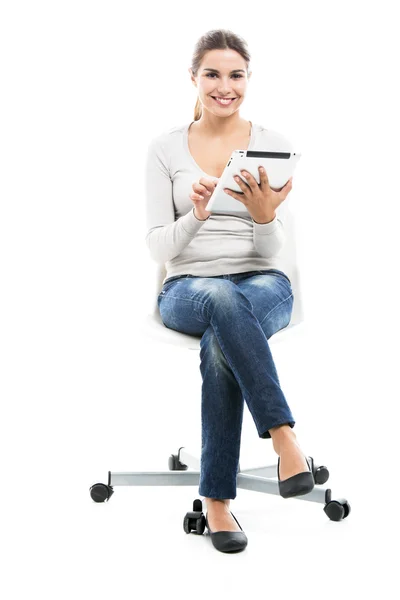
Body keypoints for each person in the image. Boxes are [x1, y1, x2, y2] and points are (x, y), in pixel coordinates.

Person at [145, 29, 313, 553]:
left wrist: (266, 218)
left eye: (235, 75)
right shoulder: (164, 148)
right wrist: (197, 216)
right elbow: (157, 247)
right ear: (193, 80)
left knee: (223, 338)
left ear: (247, 80)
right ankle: (285, 438)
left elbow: (269, 253)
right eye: (212, 74)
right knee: (219, 300)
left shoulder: (272, 143)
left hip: (264, 284)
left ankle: (216, 503)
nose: (225, 86)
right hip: (188, 287)